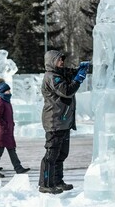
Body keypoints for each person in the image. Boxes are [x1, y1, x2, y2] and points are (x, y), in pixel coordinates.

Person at [38, 50, 90, 194]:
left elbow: (69, 73)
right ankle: (45, 184)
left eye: (62, 60)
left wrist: (79, 70)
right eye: (60, 60)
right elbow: (66, 91)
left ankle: (57, 181)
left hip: (63, 121)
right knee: (51, 154)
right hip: (54, 121)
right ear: (52, 61)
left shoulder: (59, 74)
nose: (62, 62)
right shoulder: (52, 77)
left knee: (61, 154)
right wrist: (78, 79)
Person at [0, 80, 30, 178]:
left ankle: (18, 168)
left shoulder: (6, 100)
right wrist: (5, 125)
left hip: (7, 130)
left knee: (12, 149)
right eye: (7, 90)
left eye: (9, 90)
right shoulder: (0, 101)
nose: (9, 92)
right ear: (2, 91)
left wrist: (10, 125)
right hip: (2, 131)